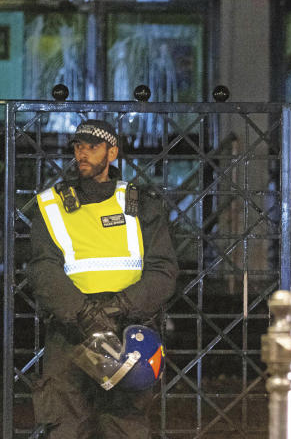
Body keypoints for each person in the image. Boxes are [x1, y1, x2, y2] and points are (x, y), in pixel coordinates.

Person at [29, 119, 179, 438]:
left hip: (127, 332)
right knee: (67, 424)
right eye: (78, 147)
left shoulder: (142, 205)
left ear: (111, 153)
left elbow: (163, 270)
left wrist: (118, 307)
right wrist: (84, 314)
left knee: (125, 424)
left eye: (92, 147)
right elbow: (43, 270)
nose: (82, 154)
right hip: (71, 333)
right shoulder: (51, 206)